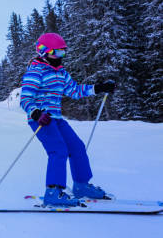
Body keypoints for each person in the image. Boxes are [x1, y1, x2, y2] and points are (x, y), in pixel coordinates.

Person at [20, 33, 115, 206]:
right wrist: (35, 113)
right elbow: (25, 98)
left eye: (62, 53)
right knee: (58, 150)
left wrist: (99, 88)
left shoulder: (61, 72)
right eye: (56, 53)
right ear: (43, 52)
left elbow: (74, 90)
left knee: (77, 147)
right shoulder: (35, 71)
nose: (59, 57)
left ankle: (81, 186)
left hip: (56, 119)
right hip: (41, 119)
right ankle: (53, 192)